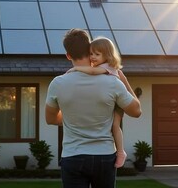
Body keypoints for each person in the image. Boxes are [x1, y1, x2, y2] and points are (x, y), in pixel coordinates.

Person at [45, 29, 141, 188]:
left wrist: (73, 117)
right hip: (104, 156)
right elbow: (136, 111)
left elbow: (50, 119)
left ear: (68, 55)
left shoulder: (57, 83)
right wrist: (122, 77)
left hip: (73, 156)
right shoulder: (113, 82)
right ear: (89, 50)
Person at [68, 36, 127, 168]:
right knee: (112, 126)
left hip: (116, 102)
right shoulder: (103, 66)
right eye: (91, 54)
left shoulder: (108, 67)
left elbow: (93, 71)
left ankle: (121, 152)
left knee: (115, 126)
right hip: (110, 101)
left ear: (107, 55)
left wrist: (76, 69)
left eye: (97, 54)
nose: (93, 57)